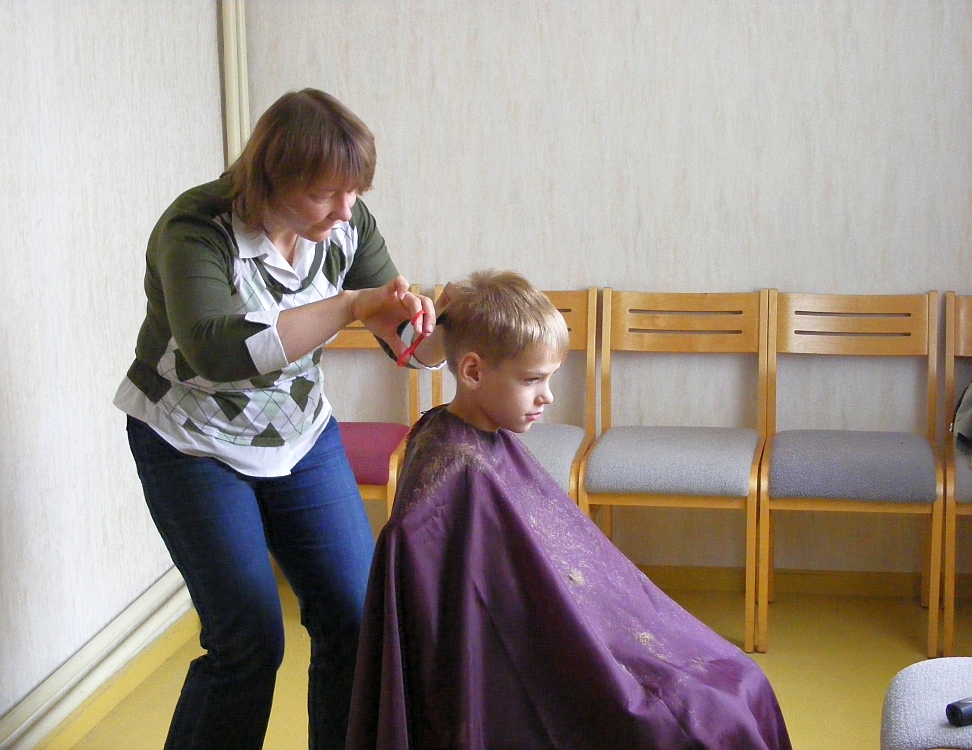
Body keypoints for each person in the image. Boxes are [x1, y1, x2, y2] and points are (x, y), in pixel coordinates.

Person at [115, 89, 443, 750]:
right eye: (326, 194)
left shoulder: (346, 220)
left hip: (298, 435)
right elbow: (219, 351)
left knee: (356, 618)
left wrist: (429, 327)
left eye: (354, 192)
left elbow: (405, 339)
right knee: (247, 642)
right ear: (272, 175)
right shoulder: (195, 230)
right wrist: (350, 306)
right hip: (191, 442)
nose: (346, 209)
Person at [347, 270, 793, 750]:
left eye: (550, 377)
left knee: (741, 680)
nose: (548, 396)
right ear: (472, 372)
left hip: (570, 633)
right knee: (714, 712)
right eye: (532, 379)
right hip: (537, 669)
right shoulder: (459, 472)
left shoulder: (473, 441)